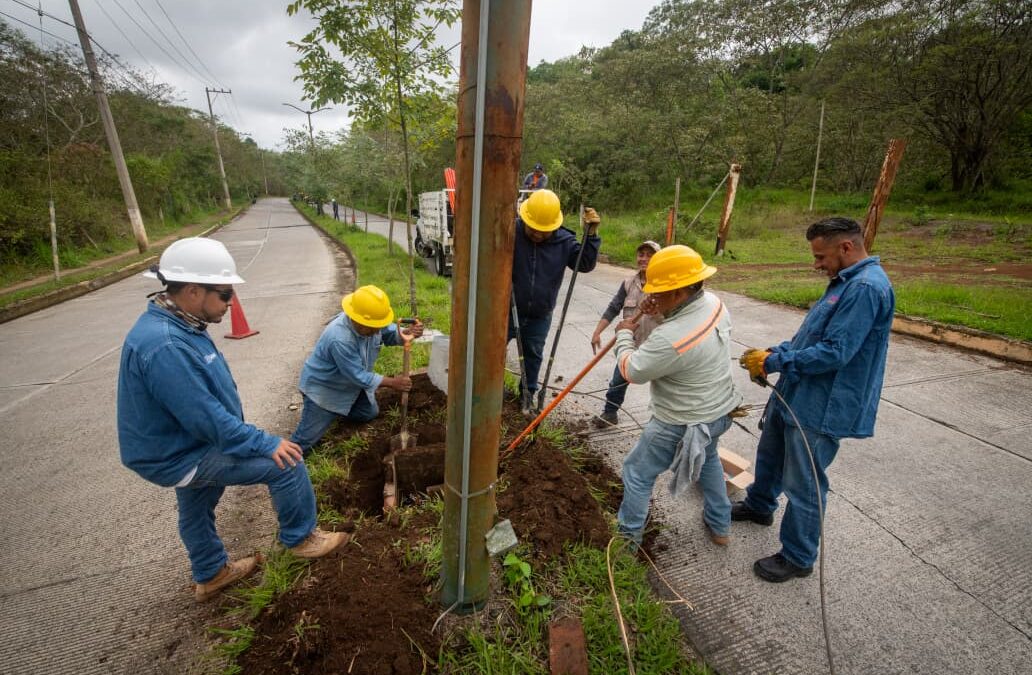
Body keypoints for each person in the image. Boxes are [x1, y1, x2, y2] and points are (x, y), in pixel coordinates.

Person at [117, 238, 346, 603]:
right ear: (193, 291)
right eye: (225, 294)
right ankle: (301, 539)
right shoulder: (166, 346)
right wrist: (266, 443)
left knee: (196, 503)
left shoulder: (180, 324)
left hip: (182, 443)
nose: (231, 302)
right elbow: (206, 418)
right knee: (286, 463)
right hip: (180, 451)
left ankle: (211, 573)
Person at [735, 217, 895, 582]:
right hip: (798, 390)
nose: (817, 264)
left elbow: (836, 352)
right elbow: (812, 337)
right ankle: (760, 505)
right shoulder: (844, 282)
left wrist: (776, 362)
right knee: (771, 454)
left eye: (821, 256)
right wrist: (775, 352)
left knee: (804, 482)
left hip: (823, 405)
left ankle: (798, 556)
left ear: (846, 247)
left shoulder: (866, 289)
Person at [612, 245, 742, 547]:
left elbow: (632, 370)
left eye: (661, 292)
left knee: (637, 472)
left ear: (680, 292)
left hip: (681, 423)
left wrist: (623, 333)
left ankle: (627, 541)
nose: (652, 297)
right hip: (720, 411)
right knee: (708, 458)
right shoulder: (715, 303)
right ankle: (720, 525)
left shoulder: (671, 338)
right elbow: (683, 332)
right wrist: (658, 313)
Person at [291, 285, 423, 456]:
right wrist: (392, 383)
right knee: (304, 443)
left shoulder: (371, 323)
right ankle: (281, 468)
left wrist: (406, 332)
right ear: (356, 319)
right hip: (324, 391)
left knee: (369, 412)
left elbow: (388, 333)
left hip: (348, 386)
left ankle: (338, 411)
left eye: (378, 325)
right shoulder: (339, 338)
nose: (377, 330)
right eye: (372, 327)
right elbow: (358, 375)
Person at [509, 189, 600, 408]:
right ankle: (488, 390)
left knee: (533, 354)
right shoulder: (512, 231)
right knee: (491, 350)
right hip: (507, 309)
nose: (538, 234)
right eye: (533, 229)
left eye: (544, 231)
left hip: (541, 313)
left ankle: (527, 393)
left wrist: (591, 236)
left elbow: (584, 264)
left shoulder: (564, 241)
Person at [590, 240, 662, 427]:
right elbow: (613, 307)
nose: (644, 258)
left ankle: (667, 423)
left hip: (658, 346)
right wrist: (597, 332)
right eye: (641, 254)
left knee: (664, 386)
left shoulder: (665, 284)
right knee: (617, 382)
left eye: (649, 255)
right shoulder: (628, 283)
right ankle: (610, 413)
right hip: (630, 345)